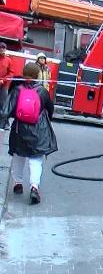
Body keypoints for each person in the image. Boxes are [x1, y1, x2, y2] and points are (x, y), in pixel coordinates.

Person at [0, 63, 58, 205]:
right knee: (35, 159)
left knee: (19, 157)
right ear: (37, 75)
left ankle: (18, 184)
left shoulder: (17, 89)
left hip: (20, 130)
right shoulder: (42, 91)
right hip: (38, 130)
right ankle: (34, 187)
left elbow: (5, 110)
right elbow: (50, 109)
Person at [0, 42, 16, 129]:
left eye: (3, 48)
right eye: (0, 48)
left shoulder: (8, 60)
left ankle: (4, 123)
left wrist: (4, 80)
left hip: (4, 86)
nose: (2, 49)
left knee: (3, 104)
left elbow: (11, 73)